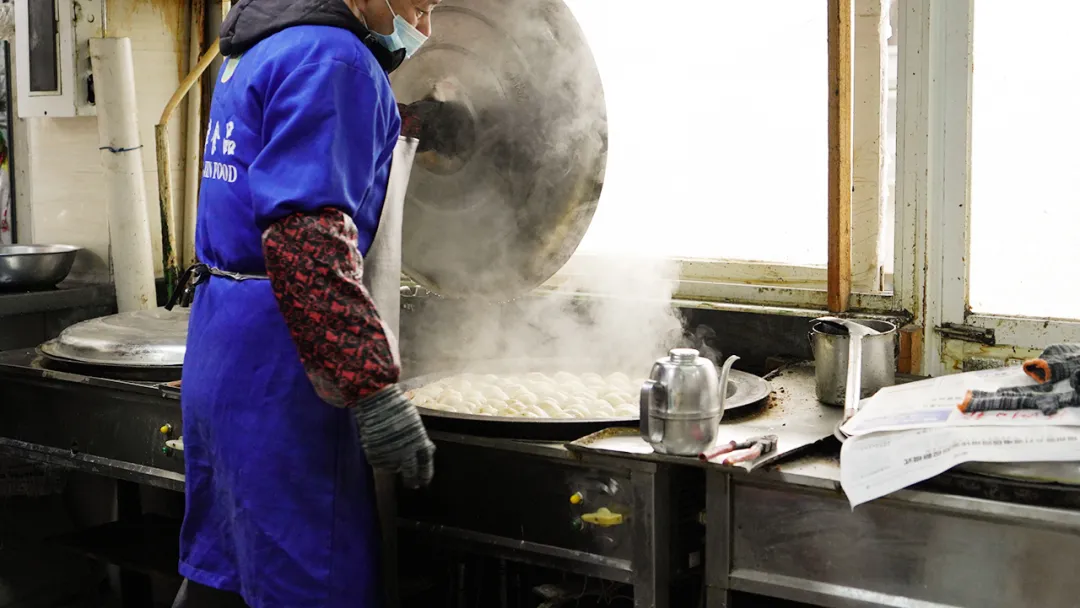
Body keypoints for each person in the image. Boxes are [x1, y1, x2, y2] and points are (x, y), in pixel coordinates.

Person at [171, 0, 440, 606]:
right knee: (308, 581)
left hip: (223, 339)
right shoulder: (335, 61)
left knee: (227, 576)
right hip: (283, 360)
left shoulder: (259, 49)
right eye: (420, 6)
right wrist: (371, 387)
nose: (425, 28)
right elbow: (306, 237)